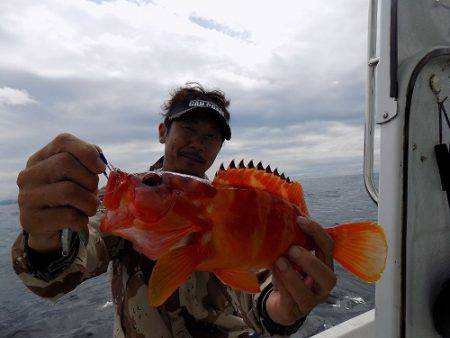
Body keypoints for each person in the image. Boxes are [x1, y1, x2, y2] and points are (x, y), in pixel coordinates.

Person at [11, 83, 336, 337]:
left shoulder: (236, 209)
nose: (198, 143)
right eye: (189, 129)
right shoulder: (129, 201)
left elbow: (255, 288)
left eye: (212, 136)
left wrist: (281, 308)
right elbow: (63, 268)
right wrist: (45, 237)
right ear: (163, 131)